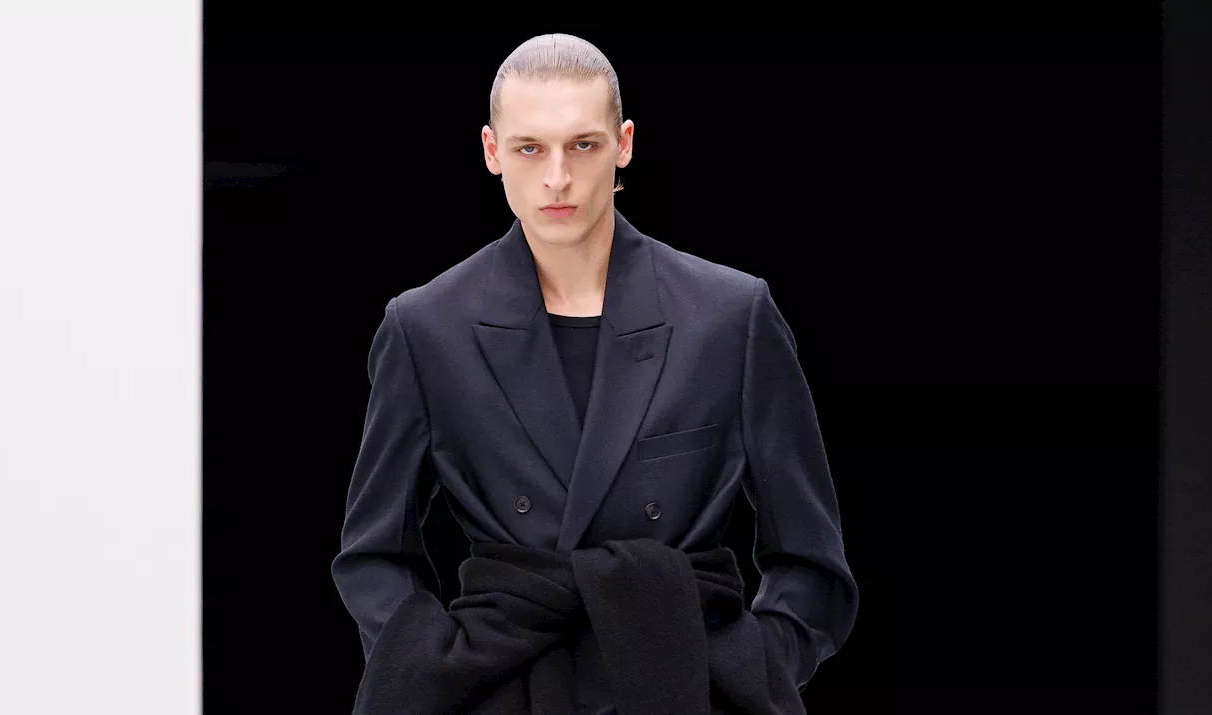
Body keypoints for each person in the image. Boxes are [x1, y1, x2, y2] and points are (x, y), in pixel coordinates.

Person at [331, 33, 859, 715]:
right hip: (505, 691)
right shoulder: (427, 328)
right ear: (492, 152)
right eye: (530, 149)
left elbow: (812, 557)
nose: (557, 177)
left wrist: (747, 667)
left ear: (624, 144)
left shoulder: (729, 317)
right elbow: (372, 552)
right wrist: (434, 665)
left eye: (582, 145)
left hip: (679, 691)